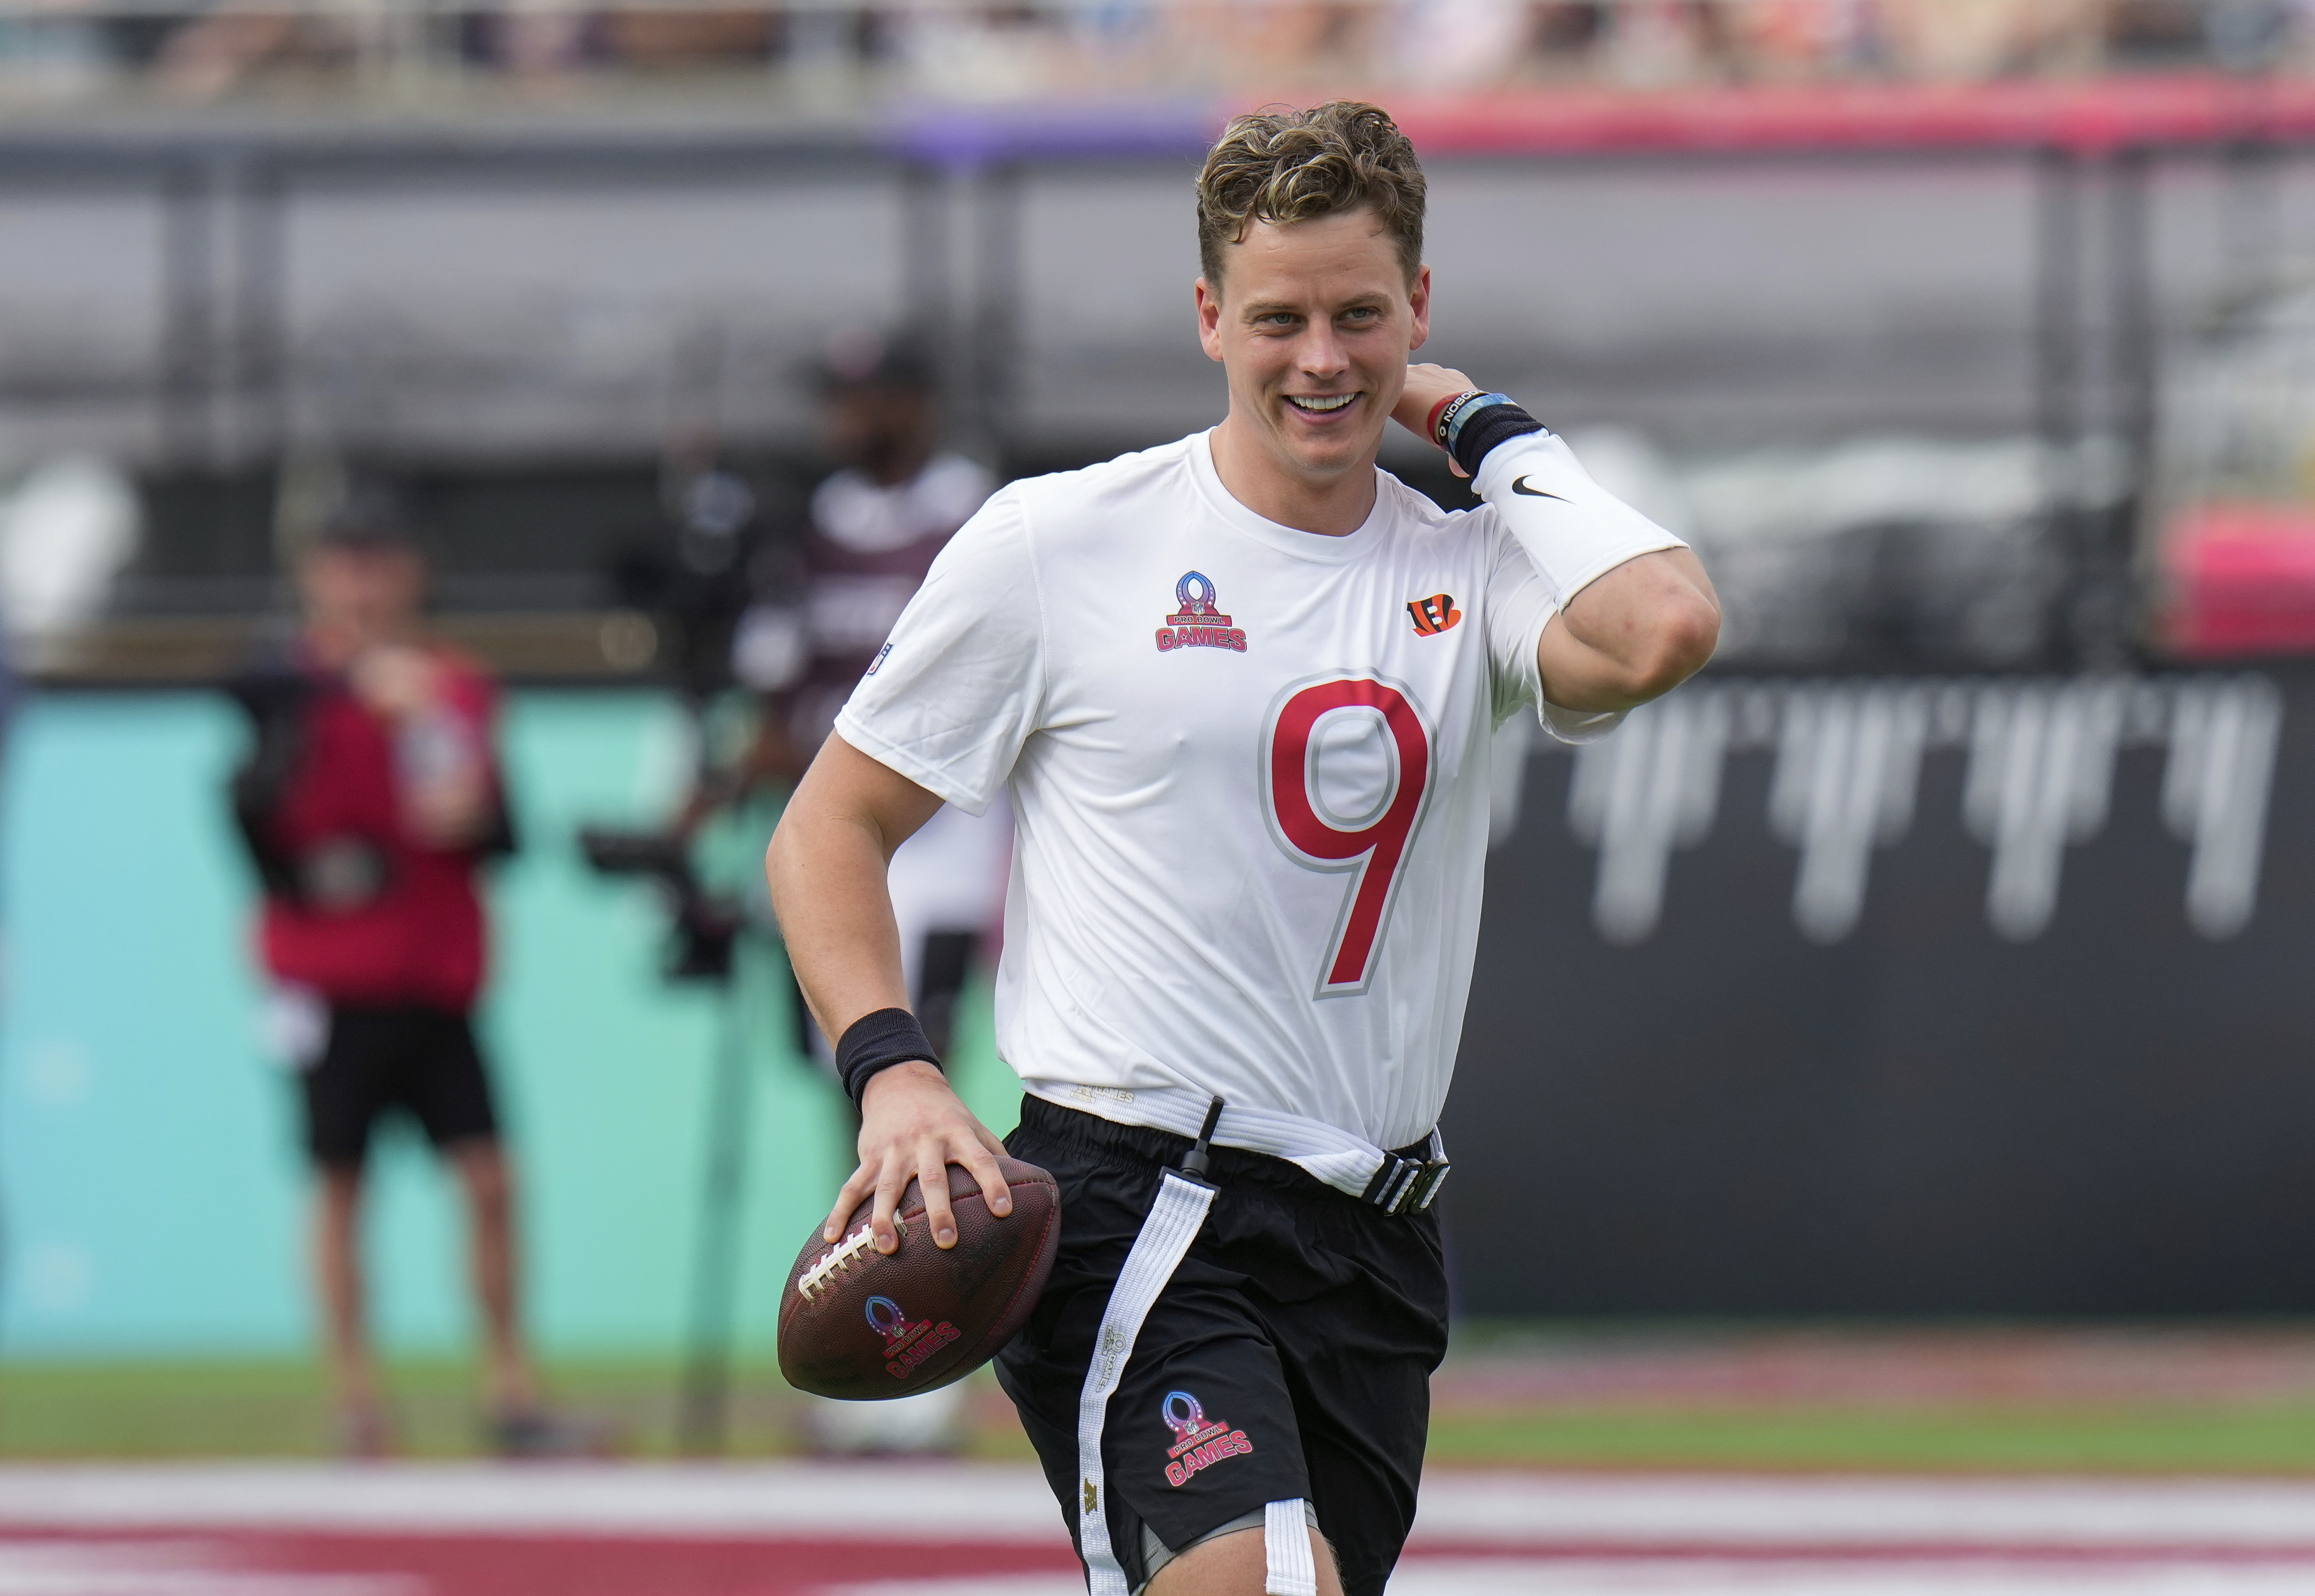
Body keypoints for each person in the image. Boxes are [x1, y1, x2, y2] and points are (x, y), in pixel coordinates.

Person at [766, 102, 1718, 1596]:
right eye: (1278, 317)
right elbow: (831, 823)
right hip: (1143, 1197)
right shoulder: (1059, 544)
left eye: (1360, 313)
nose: (1323, 358)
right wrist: (891, 1068)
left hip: (1372, 1235)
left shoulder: (1464, 566)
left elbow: (1663, 623)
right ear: (1211, 318)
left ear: (1419, 309)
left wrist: (1487, 428)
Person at [231, 497, 581, 1458]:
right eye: (345, 563)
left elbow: (505, 831)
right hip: (332, 978)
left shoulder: (458, 687)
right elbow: (250, 782)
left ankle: (509, 1384)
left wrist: (470, 808)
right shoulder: (290, 680)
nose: (364, 582)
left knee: (489, 1177)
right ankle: (357, 1395)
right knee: (340, 1181)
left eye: (379, 562)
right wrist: (349, 684)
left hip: (436, 975)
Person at [720, 329, 1007, 1454]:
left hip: (944, 858)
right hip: (836, 862)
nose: (847, 421)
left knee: (918, 1091)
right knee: (850, 1106)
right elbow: (773, 694)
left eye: (868, 398)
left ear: (918, 402)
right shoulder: (807, 536)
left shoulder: (979, 518)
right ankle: (882, 1338)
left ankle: (927, 1363)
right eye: (836, 400)